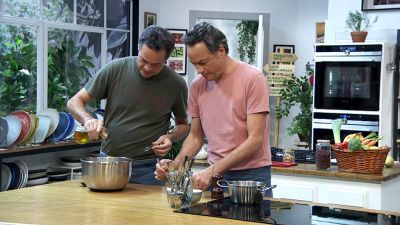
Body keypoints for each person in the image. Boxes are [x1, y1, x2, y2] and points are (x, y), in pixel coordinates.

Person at [155, 22, 272, 196]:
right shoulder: (197, 86)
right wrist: (175, 165)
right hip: (214, 176)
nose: (199, 70)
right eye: (194, 64)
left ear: (221, 51)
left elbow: (255, 140)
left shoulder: (253, 78)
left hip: (251, 174)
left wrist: (212, 170)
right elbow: (195, 137)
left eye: (203, 62)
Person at [67, 26, 189, 186]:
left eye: (156, 64)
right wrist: (87, 119)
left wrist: (170, 137)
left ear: (166, 60)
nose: (147, 68)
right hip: (109, 163)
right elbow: (74, 102)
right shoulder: (116, 68)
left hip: (148, 168)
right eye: (143, 60)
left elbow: (183, 125)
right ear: (138, 50)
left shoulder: (176, 84)